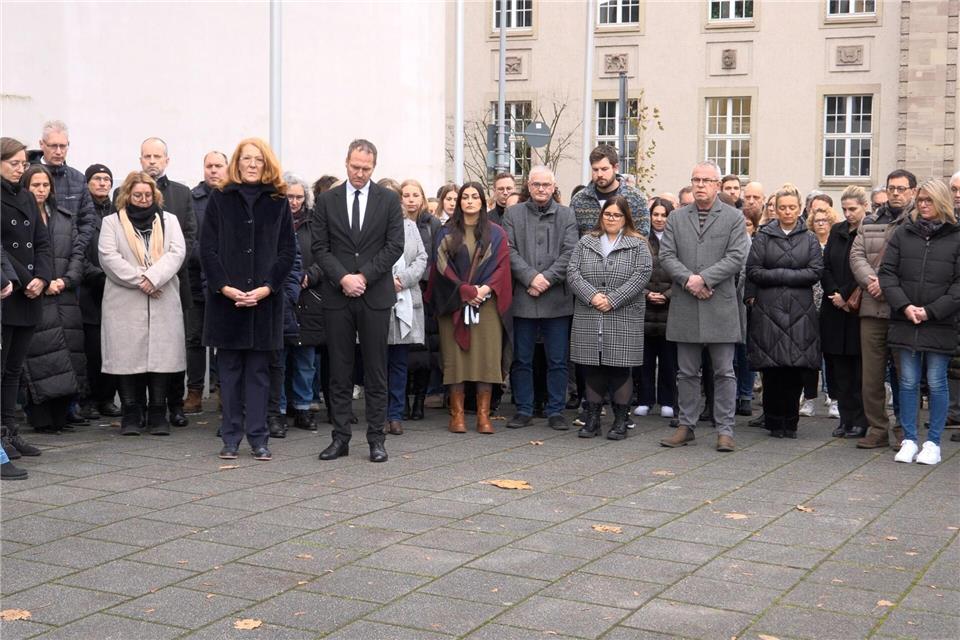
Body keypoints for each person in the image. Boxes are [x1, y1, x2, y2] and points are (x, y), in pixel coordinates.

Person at [200, 138, 295, 460]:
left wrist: (268, 287)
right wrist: (224, 287)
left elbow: (287, 251)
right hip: (227, 302)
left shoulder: (278, 201)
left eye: (258, 159)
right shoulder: (220, 199)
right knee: (229, 374)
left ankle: (258, 438)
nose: (252, 164)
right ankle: (230, 437)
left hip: (264, 303)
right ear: (237, 163)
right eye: (246, 159)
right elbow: (208, 249)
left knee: (258, 373)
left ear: (266, 164)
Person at [312, 139, 404, 463]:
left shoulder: (389, 200)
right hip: (338, 297)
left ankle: (376, 439)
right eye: (355, 167)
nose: (360, 173)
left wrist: (363, 276)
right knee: (339, 370)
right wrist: (343, 278)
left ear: (374, 167)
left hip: (374, 295)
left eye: (366, 169)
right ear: (346, 162)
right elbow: (320, 247)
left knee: (376, 370)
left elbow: (395, 246)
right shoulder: (327, 201)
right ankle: (340, 438)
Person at [658, 161, 749, 451]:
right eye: (695, 179)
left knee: (724, 371)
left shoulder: (734, 217)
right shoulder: (676, 218)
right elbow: (667, 255)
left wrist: (705, 279)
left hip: (719, 304)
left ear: (717, 185)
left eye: (706, 180)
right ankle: (686, 426)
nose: (700, 185)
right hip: (686, 302)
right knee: (686, 372)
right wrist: (690, 281)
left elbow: (737, 256)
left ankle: (725, 430)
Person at [880, 179, 960, 465]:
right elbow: (887, 274)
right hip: (906, 319)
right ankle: (910, 439)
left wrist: (931, 311)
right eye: (921, 199)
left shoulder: (956, 235)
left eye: (929, 200)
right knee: (908, 381)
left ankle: (933, 442)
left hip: (939, 322)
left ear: (941, 201)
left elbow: (958, 285)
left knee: (937, 382)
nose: (923, 204)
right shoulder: (903, 233)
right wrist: (905, 306)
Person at [100, 171, 186, 436]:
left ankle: (158, 413)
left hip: (162, 297)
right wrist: (143, 280)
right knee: (127, 358)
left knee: (162, 358)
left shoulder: (169, 221)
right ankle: (131, 413)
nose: (143, 199)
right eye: (137, 194)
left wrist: (155, 278)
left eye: (148, 194)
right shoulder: (111, 222)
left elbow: (177, 252)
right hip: (125, 299)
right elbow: (108, 256)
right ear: (127, 195)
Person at [428, 183, 512, 433]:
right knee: (456, 360)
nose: (470, 201)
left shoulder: (497, 233)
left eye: (475, 197)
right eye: (465, 197)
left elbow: (502, 267)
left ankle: (483, 416)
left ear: (483, 201)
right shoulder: (445, 232)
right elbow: (440, 266)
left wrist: (483, 290)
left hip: (486, 304)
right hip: (454, 302)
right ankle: (457, 416)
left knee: (486, 358)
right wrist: (463, 290)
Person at [568, 196, 652, 439]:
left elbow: (642, 274)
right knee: (592, 367)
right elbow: (573, 272)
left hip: (623, 314)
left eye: (617, 215)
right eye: (607, 214)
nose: (611, 219)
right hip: (590, 313)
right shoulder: (587, 242)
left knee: (619, 369)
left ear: (626, 218)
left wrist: (613, 299)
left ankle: (620, 420)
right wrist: (592, 296)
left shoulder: (637, 244)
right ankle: (593, 419)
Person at [504, 166, 578, 430]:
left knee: (557, 360)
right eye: (536, 185)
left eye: (546, 185)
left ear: (554, 186)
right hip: (524, 297)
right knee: (521, 358)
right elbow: (508, 251)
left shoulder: (568, 215)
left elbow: (570, 253)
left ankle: (555, 409)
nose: (541, 189)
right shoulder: (513, 214)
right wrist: (530, 278)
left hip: (556, 298)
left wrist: (545, 279)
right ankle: (524, 408)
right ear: (528, 186)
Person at [745, 189, 824, 438]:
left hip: (800, 309)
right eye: (783, 207)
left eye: (792, 207)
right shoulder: (763, 236)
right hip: (768, 308)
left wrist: (778, 275)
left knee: (794, 367)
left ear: (800, 208)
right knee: (772, 369)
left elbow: (815, 271)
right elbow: (754, 270)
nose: (787, 212)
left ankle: (791, 421)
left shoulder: (809, 238)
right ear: (775, 209)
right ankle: (772, 419)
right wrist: (789, 276)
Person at [849, 169, 916, 449]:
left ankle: (905, 428)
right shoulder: (871, 220)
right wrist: (869, 281)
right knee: (872, 375)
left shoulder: (919, 223)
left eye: (901, 189)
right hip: (872, 307)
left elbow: (917, 263)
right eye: (892, 188)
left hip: (903, 310)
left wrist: (887, 286)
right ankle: (877, 428)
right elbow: (857, 255)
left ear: (913, 191)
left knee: (906, 375)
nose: (896, 193)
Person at [18, 165, 86, 435]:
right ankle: (41, 417)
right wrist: (41, 281)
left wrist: (66, 280)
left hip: (63, 296)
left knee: (68, 356)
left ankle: (63, 414)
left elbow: (78, 254)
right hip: (35, 294)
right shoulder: (19, 218)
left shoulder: (64, 218)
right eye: (35, 185)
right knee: (39, 358)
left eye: (45, 185)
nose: (41, 190)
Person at [139, 137, 198, 429]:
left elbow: (188, 238)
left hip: (174, 283)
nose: (152, 161)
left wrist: (162, 273)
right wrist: (145, 276)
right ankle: (141, 407)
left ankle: (176, 404)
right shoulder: (125, 193)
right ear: (140, 159)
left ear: (167, 160)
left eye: (157, 156)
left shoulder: (182, 193)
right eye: (147, 156)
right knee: (139, 348)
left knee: (175, 346)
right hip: (137, 286)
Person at [1, 138, 51, 462]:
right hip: (8, 292)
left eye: (23, 163)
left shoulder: (29, 199)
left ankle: (10, 431)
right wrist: (22, 278)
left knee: (14, 370)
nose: (21, 169)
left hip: (30, 294)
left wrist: (42, 277)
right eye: (15, 164)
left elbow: (42, 242)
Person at [272, 172, 321, 437]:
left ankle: (303, 408)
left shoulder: (315, 225)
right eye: (289, 196)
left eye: (298, 197)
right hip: (279, 296)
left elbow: (325, 256)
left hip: (309, 299)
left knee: (305, 359)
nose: (293, 201)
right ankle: (278, 409)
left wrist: (309, 275)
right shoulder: (273, 221)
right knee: (278, 358)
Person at [821, 185, 868, 438]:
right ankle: (846, 420)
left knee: (859, 370)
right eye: (845, 209)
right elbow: (826, 265)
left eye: (853, 209)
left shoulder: (868, 231)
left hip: (857, 309)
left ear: (865, 207)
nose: (848, 214)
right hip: (835, 308)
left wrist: (847, 294)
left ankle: (862, 420)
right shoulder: (837, 231)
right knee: (840, 370)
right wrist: (835, 294)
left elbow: (866, 267)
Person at [184, 151, 228, 414]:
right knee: (195, 338)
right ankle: (194, 392)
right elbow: (189, 239)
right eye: (209, 166)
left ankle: (225, 390)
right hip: (195, 278)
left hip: (225, 281)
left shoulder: (233, 197)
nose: (213, 170)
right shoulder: (192, 199)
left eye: (218, 166)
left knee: (224, 339)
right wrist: (212, 256)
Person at [78, 163, 120, 420]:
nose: (103, 183)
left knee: (113, 347)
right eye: (97, 178)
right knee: (91, 349)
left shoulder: (118, 212)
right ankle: (89, 399)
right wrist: (96, 274)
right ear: (87, 183)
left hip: (116, 290)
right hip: (90, 290)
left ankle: (107, 398)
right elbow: (77, 251)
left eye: (107, 179)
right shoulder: (82, 213)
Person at [400, 179, 441, 420]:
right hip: (401, 290)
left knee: (425, 353)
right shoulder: (396, 223)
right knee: (403, 350)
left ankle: (420, 403)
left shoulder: (432, 223)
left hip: (426, 292)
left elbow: (435, 257)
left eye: (416, 194)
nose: (411, 199)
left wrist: (425, 281)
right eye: (406, 194)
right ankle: (402, 401)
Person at [634, 197, 676, 419]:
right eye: (656, 214)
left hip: (670, 310)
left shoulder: (677, 241)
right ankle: (645, 399)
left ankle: (668, 400)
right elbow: (632, 274)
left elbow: (681, 275)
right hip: (645, 309)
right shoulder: (641, 241)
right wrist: (647, 294)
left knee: (669, 360)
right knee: (645, 360)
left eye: (664, 215)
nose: (659, 219)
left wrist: (667, 295)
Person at [798, 198, 840, 419]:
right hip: (808, 305)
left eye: (825, 220)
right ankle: (809, 399)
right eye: (817, 220)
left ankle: (834, 399)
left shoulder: (836, 243)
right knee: (809, 357)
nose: (821, 224)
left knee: (831, 357)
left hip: (831, 304)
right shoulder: (808, 243)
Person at [26, 121, 95, 250]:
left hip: (71, 255)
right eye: (53, 146)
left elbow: (88, 219)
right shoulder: (26, 176)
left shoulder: (78, 179)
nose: (58, 152)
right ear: (42, 144)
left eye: (63, 146)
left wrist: (76, 251)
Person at [570, 145, 650, 237]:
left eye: (604, 169)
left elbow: (642, 236)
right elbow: (572, 237)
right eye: (595, 169)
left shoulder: (636, 198)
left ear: (615, 168)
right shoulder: (579, 200)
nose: (599, 174)